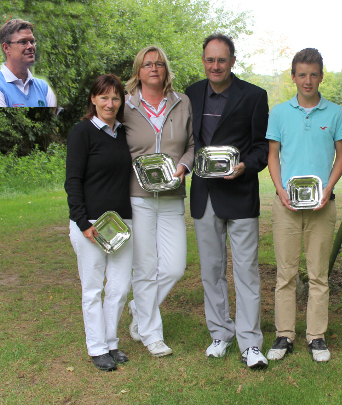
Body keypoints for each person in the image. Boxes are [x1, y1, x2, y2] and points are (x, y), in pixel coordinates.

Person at [185, 33, 269, 369]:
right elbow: (186, 141)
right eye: (210, 59)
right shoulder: (191, 94)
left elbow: (263, 146)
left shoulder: (254, 96)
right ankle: (220, 333)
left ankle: (250, 342)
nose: (215, 65)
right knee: (211, 271)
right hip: (205, 196)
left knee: (247, 271)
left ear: (233, 61)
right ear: (203, 60)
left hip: (241, 194)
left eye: (222, 59)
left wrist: (246, 166)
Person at [265, 48, 342, 363]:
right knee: (285, 273)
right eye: (302, 74)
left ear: (321, 76)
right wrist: (279, 188)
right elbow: (273, 155)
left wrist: (328, 188)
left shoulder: (336, 113)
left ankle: (316, 337)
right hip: (286, 205)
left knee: (318, 275)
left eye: (313, 74)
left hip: (322, 205)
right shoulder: (280, 112)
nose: (308, 81)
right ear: (293, 76)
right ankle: (284, 335)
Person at [124, 46, 195, 357]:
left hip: (171, 196)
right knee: (145, 267)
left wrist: (184, 166)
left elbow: (192, 144)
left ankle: (139, 306)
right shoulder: (125, 105)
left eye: (159, 64)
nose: (153, 68)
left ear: (166, 70)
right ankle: (151, 334)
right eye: (147, 64)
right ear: (138, 71)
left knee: (175, 266)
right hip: (136, 196)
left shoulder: (182, 103)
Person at [65, 74, 132, 371]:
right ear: (93, 99)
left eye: (115, 98)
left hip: (120, 223)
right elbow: (73, 181)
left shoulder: (123, 133)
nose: (110, 103)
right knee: (92, 288)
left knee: (118, 287)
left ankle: (111, 342)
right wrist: (82, 222)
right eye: (104, 97)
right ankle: (96, 348)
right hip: (90, 223)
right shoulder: (82, 132)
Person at [0, 19, 56, 107]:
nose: (30, 46)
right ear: (6, 48)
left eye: (32, 41)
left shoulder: (43, 88)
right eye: (23, 42)